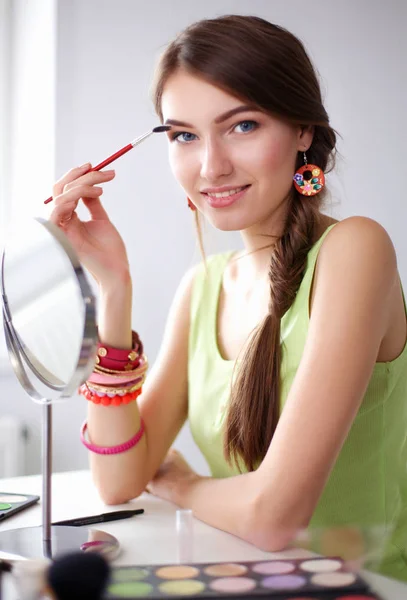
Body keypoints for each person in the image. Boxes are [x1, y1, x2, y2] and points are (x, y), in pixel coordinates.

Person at [49, 15, 407, 581]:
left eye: (242, 126)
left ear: (303, 131)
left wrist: (182, 483)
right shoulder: (204, 286)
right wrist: (112, 288)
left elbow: (273, 519)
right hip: (244, 580)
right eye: (184, 135)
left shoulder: (355, 251)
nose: (210, 166)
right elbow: (117, 480)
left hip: (365, 586)